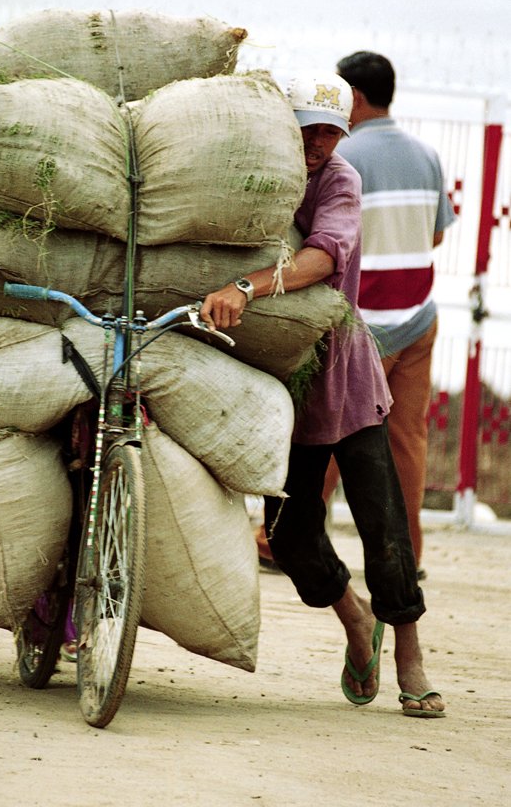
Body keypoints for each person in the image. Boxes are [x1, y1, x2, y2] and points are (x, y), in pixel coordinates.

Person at [200, 71, 445, 719]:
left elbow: (323, 256)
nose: (317, 143)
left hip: (342, 376)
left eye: (330, 132)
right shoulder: (262, 175)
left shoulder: (340, 180)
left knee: (381, 523)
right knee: (288, 534)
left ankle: (408, 654)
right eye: (307, 129)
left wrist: (247, 288)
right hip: (276, 378)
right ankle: (355, 621)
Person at [330, 51, 456, 577]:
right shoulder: (426, 154)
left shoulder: (344, 156)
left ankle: (285, 537)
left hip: (365, 321)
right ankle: (409, 555)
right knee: (408, 437)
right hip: (419, 317)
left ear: (354, 97)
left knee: (330, 430)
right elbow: (435, 233)